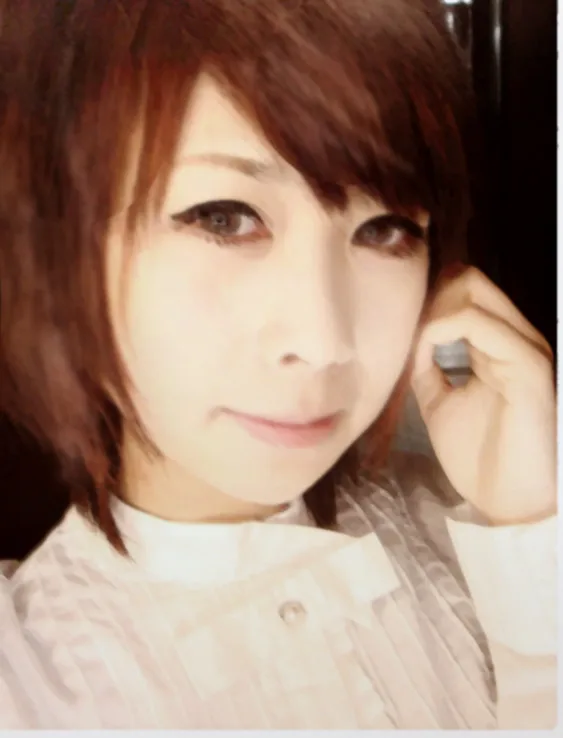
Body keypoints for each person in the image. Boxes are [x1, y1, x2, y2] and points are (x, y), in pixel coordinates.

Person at [0, 0, 556, 729]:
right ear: (59, 255)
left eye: (384, 229)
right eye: (224, 217)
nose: (326, 340)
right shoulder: (29, 677)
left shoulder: (487, 540)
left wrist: (531, 532)